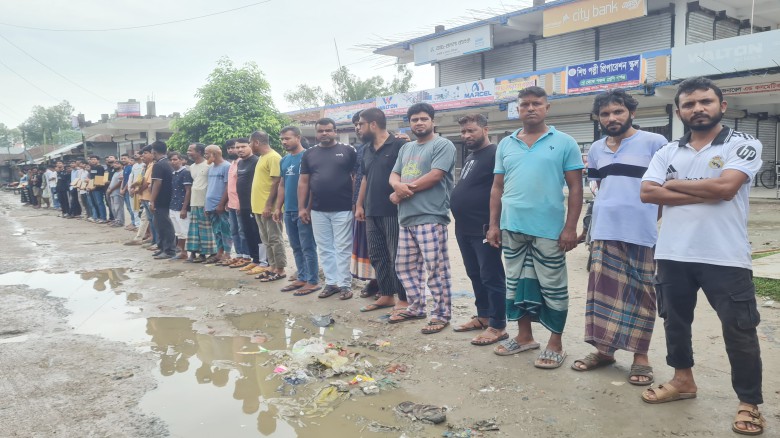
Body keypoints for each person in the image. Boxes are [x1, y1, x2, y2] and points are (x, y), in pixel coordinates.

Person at [639, 77, 766, 436]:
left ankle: (748, 402)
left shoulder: (743, 144)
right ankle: (683, 381)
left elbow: (726, 188)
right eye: (690, 104)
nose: (698, 109)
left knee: (739, 329)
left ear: (721, 106)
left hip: (725, 256)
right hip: (673, 253)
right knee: (675, 323)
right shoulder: (667, 152)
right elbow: (648, 194)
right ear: (679, 111)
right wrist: (704, 190)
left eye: (705, 102)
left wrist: (674, 184)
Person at [572, 90, 667, 383]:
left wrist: (650, 218)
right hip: (603, 231)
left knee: (641, 295)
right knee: (603, 294)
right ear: (598, 118)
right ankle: (605, 350)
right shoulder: (598, 149)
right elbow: (598, 189)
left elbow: (665, 188)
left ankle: (641, 356)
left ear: (631, 113)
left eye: (618, 112)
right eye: (605, 114)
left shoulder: (655, 143)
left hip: (640, 233)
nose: (611, 118)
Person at [487, 86, 583, 369]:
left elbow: (576, 188)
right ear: (517, 109)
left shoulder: (565, 142)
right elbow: (497, 187)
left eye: (536, 103)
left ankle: (556, 342)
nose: (530, 108)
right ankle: (525, 336)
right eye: (524, 104)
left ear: (547, 108)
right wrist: (494, 225)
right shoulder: (506, 144)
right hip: (512, 227)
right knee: (516, 285)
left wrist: (570, 228)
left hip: (549, 230)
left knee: (553, 286)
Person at [388, 103, 456, 334]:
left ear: (432, 121)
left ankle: (441, 314)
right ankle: (416, 307)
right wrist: (397, 186)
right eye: (414, 119)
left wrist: (401, 191)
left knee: (436, 268)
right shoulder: (406, 149)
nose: (419, 123)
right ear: (409, 123)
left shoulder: (442, 145)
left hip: (430, 215)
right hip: (406, 217)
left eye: (423, 119)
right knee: (405, 266)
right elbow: (394, 173)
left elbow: (436, 175)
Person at [450, 114, 507, 345]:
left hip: (484, 227)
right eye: (463, 132)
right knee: (474, 273)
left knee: (491, 276)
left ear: (485, 129)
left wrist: (495, 225)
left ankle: (498, 325)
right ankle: (483, 316)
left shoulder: (495, 154)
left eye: (471, 131)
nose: (466, 136)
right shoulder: (473, 156)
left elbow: (500, 189)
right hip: (464, 227)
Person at [354, 108, 408, 313]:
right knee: (377, 254)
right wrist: (360, 205)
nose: (358, 128)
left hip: (393, 211)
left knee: (397, 256)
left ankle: (404, 299)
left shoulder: (400, 145)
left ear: (373, 124)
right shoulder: (367, 149)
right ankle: (386, 295)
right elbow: (365, 178)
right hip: (371, 211)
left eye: (361, 124)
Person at [298, 118, 357, 300]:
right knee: (324, 248)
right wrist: (302, 208)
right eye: (321, 131)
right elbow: (304, 182)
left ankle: (345, 284)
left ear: (335, 131)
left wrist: (356, 204)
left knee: (343, 247)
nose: (324, 133)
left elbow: (355, 178)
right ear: (316, 133)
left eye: (328, 130)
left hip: (344, 208)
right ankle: (331, 283)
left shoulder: (348, 151)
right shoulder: (309, 154)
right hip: (318, 210)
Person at [273, 126, 320, 295]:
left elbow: (314, 185)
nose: (284, 142)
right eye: (282, 139)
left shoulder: (308, 157)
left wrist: (307, 208)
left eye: (287, 138)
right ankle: (302, 277)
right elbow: (282, 184)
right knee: (295, 246)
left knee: (308, 246)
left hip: (304, 211)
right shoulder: (284, 160)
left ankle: (313, 281)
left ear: (298, 138)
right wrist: (278, 207)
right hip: (289, 210)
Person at [350, 111, 379, 298]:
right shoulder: (360, 150)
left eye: (361, 125)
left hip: (380, 202)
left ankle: (384, 282)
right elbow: (355, 177)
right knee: (366, 245)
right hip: (361, 203)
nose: (358, 129)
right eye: (356, 126)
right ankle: (372, 281)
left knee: (381, 245)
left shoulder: (387, 145)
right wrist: (356, 203)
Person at [250, 131, 286, 281]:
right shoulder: (262, 157)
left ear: (256, 142)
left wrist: (268, 206)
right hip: (258, 207)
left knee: (275, 239)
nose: (249, 145)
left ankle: (280, 269)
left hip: (268, 208)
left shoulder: (273, 157)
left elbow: (276, 182)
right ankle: (272, 266)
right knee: (266, 240)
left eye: (250, 142)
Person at [220, 139, 252, 268]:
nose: (232, 150)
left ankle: (246, 256)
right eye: (229, 148)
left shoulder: (242, 163)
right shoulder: (232, 163)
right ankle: (238, 255)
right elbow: (231, 185)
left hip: (240, 204)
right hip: (231, 204)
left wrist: (239, 203)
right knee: (234, 231)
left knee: (242, 231)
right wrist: (228, 201)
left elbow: (244, 186)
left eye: (234, 147)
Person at [235, 138, 264, 270]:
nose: (240, 149)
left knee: (257, 233)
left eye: (243, 146)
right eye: (238, 147)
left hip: (255, 205)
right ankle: (255, 259)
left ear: (250, 146)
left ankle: (263, 262)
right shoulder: (240, 163)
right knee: (247, 233)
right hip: (244, 205)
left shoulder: (256, 161)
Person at [185, 143, 216, 263]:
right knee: (195, 229)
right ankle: (199, 253)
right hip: (194, 202)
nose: (188, 152)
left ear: (199, 152)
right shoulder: (192, 166)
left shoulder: (210, 165)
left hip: (205, 202)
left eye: (190, 150)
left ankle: (212, 253)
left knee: (206, 229)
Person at [204, 144, 232, 265]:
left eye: (206, 154)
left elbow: (228, 186)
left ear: (213, 154)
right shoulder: (211, 168)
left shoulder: (226, 166)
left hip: (221, 205)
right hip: (210, 205)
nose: (205, 156)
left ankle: (227, 254)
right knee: (216, 231)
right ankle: (219, 253)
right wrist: (206, 205)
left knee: (225, 230)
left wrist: (221, 204)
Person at [149, 141, 177, 259]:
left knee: (164, 225)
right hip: (168, 198)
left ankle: (169, 250)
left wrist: (152, 200)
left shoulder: (158, 165)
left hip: (161, 199)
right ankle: (162, 248)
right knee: (160, 224)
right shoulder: (168, 163)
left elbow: (157, 183)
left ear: (154, 152)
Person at [168, 151, 192, 259]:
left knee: (185, 230)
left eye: (175, 159)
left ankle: (188, 253)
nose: (173, 162)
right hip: (173, 205)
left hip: (181, 206)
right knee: (178, 231)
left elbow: (188, 191)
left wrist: (184, 208)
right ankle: (182, 252)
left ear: (181, 160)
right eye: (171, 160)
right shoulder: (174, 173)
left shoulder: (185, 172)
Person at [87, 155, 108, 223]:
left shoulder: (100, 168)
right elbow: (91, 178)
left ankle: (103, 218)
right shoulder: (92, 168)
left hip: (98, 188)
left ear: (98, 160)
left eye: (94, 159)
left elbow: (100, 179)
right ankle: (98, 217)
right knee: (95, 203)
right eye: (91, 159)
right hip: (92, 188)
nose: (92, 161)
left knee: (100, 203)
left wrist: (95, 187)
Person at [119, 154, 137, 230]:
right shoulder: (125, 168)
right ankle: (133, 222)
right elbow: (124, 180)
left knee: (131, 207)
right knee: (128, 208)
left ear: (129, 159)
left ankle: (134, 223)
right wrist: (121, 189)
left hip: (128, 190)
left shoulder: (130, 168)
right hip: (124, 191)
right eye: (122, 158)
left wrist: (124, 189)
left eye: (125, 158)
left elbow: (129, 181)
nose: (123, 160)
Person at [106, 160, 125, 227]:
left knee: (118, 208)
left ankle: (120, 222)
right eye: (114, 164)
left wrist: (111, 189)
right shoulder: (115, 173)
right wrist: (109, 189)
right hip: (112, 193)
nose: (115, 165)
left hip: (117, 193)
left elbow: (119, 183)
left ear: (122, 165)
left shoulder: (122, 172)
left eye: (117, 164)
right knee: (113, 208)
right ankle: (116, 220)